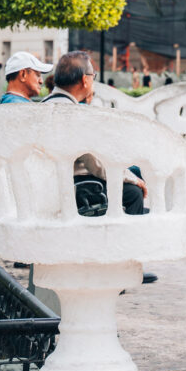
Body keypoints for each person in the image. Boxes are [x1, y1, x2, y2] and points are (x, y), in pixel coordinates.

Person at [43, 51, 156, 284]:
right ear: (85, 80)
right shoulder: (71, 113)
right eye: (93, 76)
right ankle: (125, 267)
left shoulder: (47, 104)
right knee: (133, 193)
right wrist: (131, 180)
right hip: (75, 187)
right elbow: (95, 164)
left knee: (131, 174)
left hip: (53, 183)